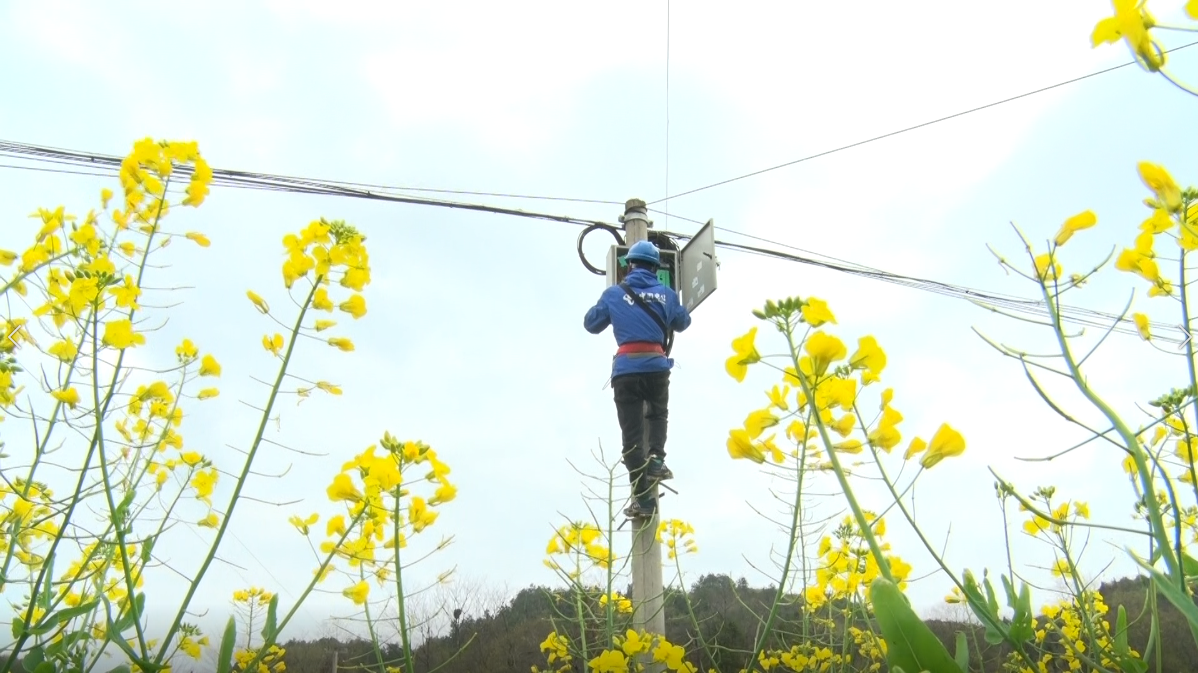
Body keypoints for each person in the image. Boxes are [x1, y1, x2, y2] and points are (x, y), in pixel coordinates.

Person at [583, 240, 692, 518]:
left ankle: (643, 500)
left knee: (631, 439)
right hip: (656, 365)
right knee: (658, 415)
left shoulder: (614, 294)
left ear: (629, 265)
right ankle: (656, 459)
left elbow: (591, 324)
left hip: (627, 371)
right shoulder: (667, 293)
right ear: (656, 268)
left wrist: (616, 304)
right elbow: (683, 322)